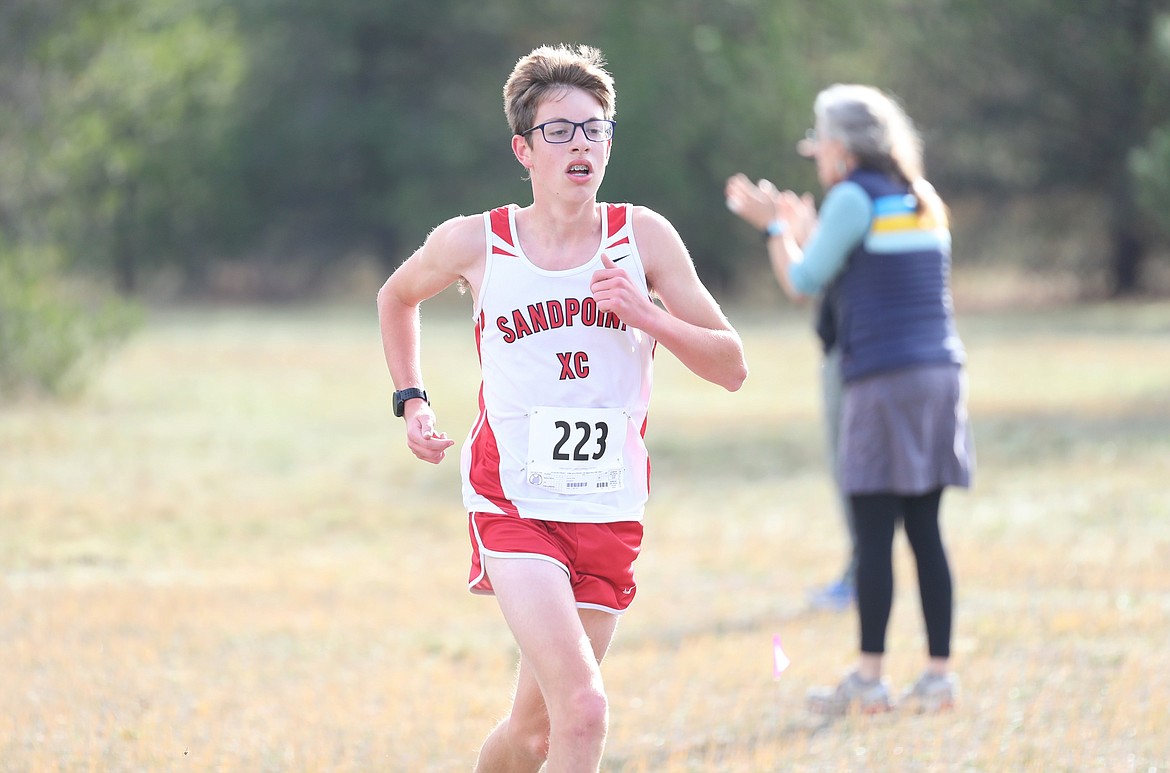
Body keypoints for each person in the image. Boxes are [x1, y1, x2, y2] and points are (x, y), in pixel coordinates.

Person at [378, 44, 747, 771]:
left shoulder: (642, 237)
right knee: (585, 708)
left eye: (596, 128)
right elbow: (396, 296)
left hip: (609, 504)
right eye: (561, 130)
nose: (582, 142)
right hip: (514, 498)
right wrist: (412, 400)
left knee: (535, 732)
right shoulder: (475, 241)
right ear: (524, 148)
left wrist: (650, 317)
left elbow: (731, 365)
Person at [725, 83, 973, 715]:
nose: (818, 160)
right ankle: (939, 677)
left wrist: (778, 227)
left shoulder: (853, 197)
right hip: (940, 375)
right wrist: (810, 231)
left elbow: (804, 282)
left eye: (820, 148)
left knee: (872, 532)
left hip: (883, 378)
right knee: (924, 529)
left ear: (838, 148)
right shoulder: (923, 197)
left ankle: (868, 679)